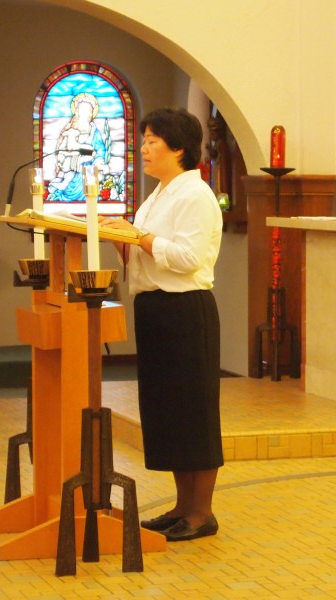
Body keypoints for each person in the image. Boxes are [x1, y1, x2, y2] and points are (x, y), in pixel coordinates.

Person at [99, 107, 223, 542]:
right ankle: (181, 507)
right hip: (155, 309)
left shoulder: (196, 195)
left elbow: (188, 259)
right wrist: (123, 242)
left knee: (194, 412)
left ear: (179, 148)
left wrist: (140, 238)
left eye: (153, 140)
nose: (143, 148)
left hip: (185, 311)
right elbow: (145, 258)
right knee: (167, 411)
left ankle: (201, 513)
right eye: (144, 139)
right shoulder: (157, 195)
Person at [47, 93, 107, 202]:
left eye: (88, 110)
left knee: (89, 195)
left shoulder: (94, 131)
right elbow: (61, 147)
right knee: (67, 187)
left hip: (87, 169)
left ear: (91, 113)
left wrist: (99, 160)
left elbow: (100, 149)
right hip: (71, 165)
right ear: (77, 112)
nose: (86, 113)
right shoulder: (70, 129)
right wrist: (62, 159)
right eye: (83, 110)